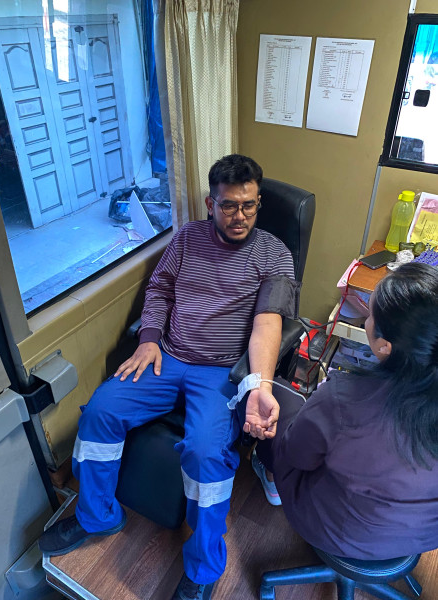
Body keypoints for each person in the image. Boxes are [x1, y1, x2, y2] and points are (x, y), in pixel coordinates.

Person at [39, 154, 299, 599]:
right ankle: (97, 517)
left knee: (205, 456)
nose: (240, 216)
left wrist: (258, 384)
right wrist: (149, 340)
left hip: (221, 373)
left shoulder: (274, 254)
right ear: (210, 204)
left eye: (249, 205)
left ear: (259, 203)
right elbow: (160, 289)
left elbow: (268, 323)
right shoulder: (187, 238)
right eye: (229, 205)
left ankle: (203, 570)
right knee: (100, 412)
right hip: (167, 357)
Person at [252, 262, 438, 559]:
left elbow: (295, 455)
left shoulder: (344, 398)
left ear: (385, 346)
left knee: (271, 396)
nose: (366, 320)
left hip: (340, 534)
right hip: (420, 538)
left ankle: (272, 480)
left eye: (370, 315)